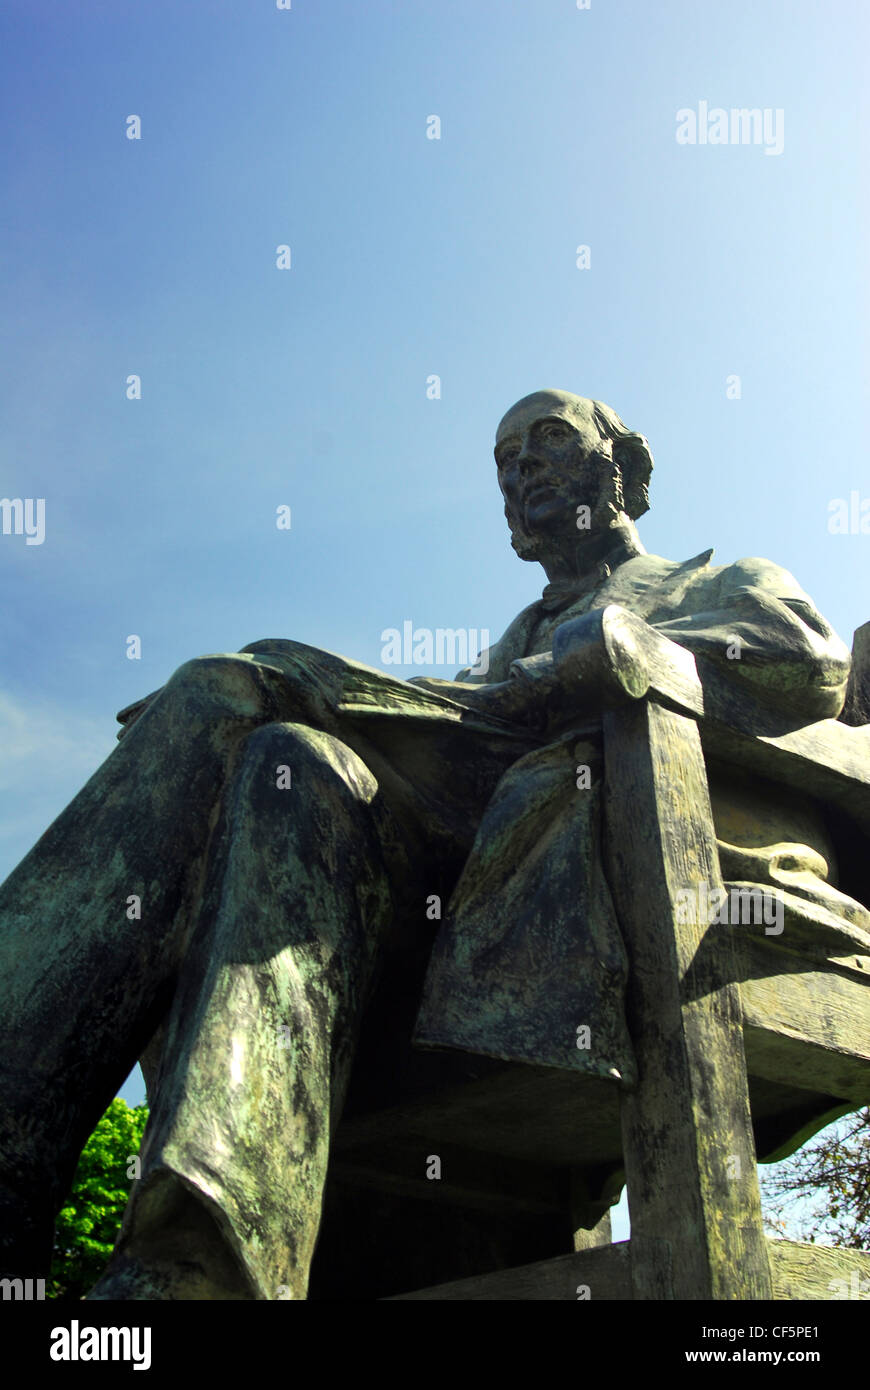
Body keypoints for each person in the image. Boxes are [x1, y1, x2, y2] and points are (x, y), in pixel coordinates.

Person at [1, 390, 866, 1299]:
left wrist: (606, 646)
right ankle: (200, 1268)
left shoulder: (710, 580)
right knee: (291, 762)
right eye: (504, 459)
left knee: (223, 691)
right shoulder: (499, 648)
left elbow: (807, 657)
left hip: (611, 822)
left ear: (625, 467)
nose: (521, 466)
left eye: (548, 439)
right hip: (466, 863)